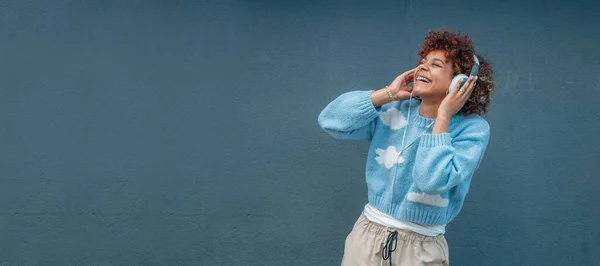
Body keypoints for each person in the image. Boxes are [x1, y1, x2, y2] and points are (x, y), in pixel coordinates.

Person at [317, 29, 495, 266]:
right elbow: (330, 120)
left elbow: (431, 180)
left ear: (459, 83)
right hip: (367, 237)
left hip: (421, 249)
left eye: (435, 64)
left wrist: (443, 116)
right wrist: (387, 95)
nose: (422, 67)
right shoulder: (395, 111)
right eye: (422, 62)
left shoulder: (473, 130)